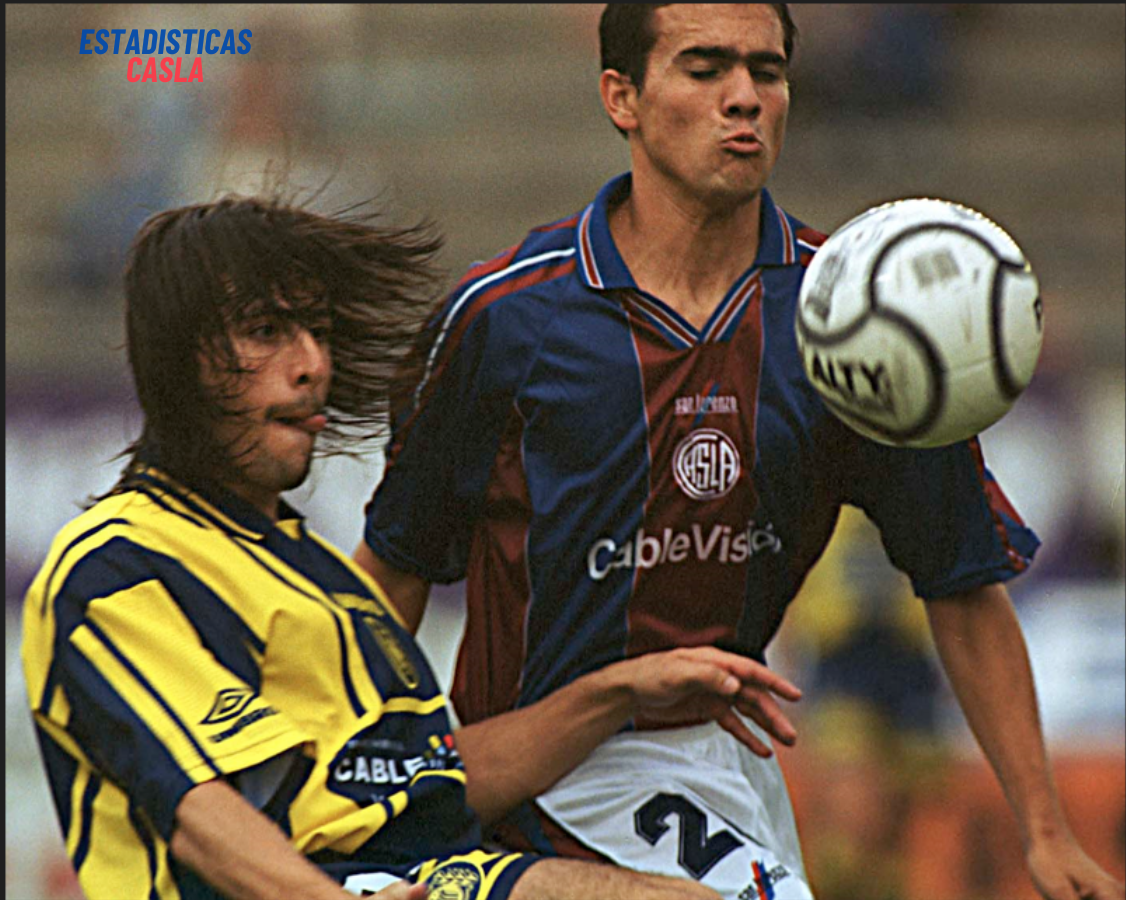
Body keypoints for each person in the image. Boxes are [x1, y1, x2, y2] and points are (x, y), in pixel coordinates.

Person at [355, 5, 1125, 900]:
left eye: (767, 71)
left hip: (730, 768)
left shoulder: (854, 317)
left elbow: (961, 582)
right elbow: (392, 574)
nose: (744, 97)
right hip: (542, 767)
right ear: (622, 98)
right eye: (705, 68)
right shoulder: (507, 319)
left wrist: (1044, 831)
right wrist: (353, 795)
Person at [21, 194, 809, 900]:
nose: (313, 366)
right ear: (177, 359)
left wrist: (620, 691)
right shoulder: (118, 565)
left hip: (413, 874)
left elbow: (430, 785)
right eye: (266, 333)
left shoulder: (319, 580)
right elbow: (199, 814)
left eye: (319, 333)